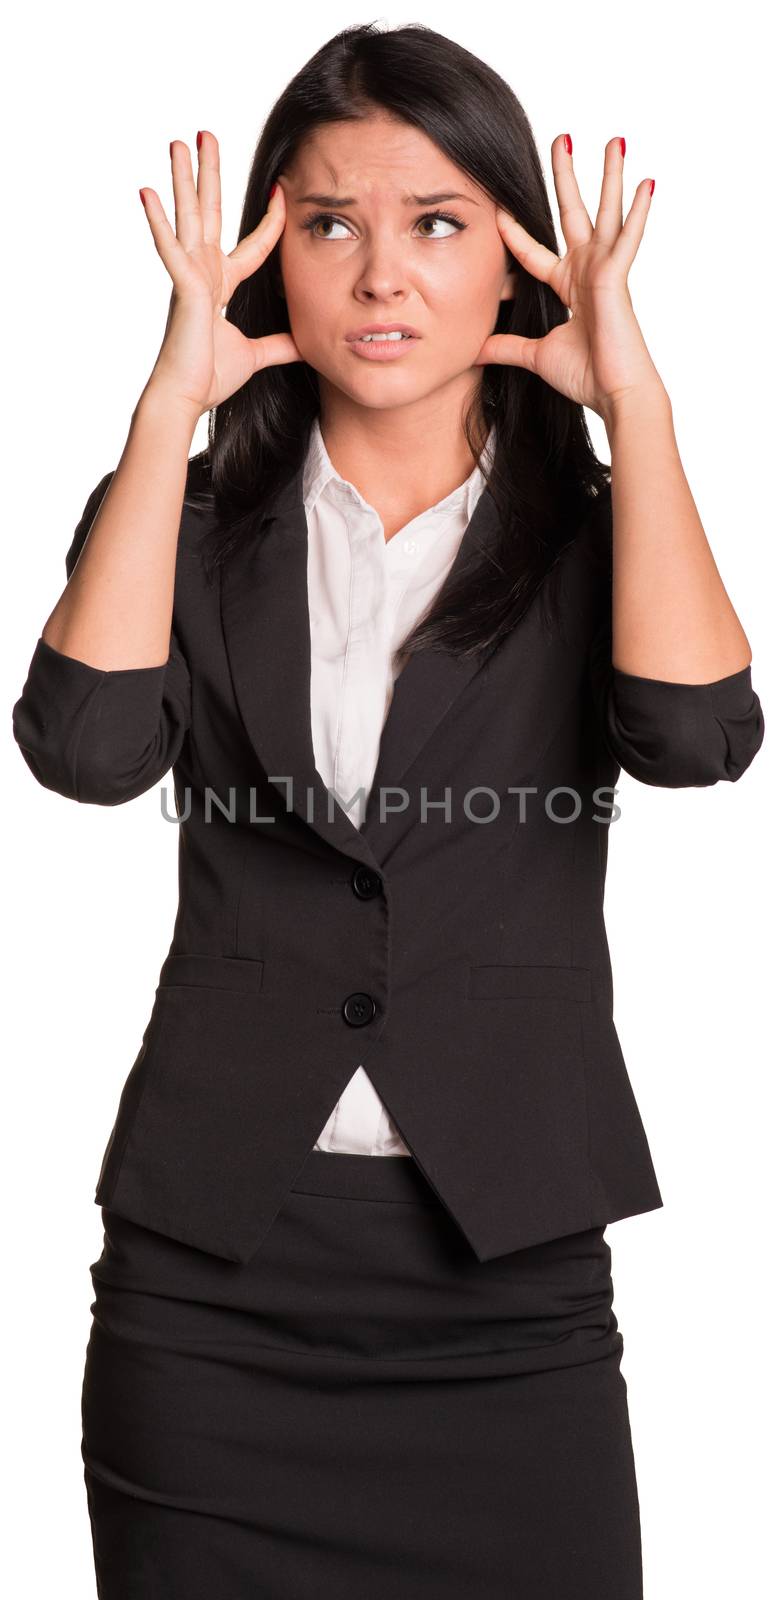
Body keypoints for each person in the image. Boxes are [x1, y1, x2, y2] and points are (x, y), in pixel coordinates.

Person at [11, 21, 764, 1600]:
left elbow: (696, 741)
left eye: (436, 225)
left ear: (514, 260)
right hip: (212, 1289)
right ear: (265, 255)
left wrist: (639, 406)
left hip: (506, 1279)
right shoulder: (188, 522)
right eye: (328, 223)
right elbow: (84, 755)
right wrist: (168, 411)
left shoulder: (595, 533)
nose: (379, 277)